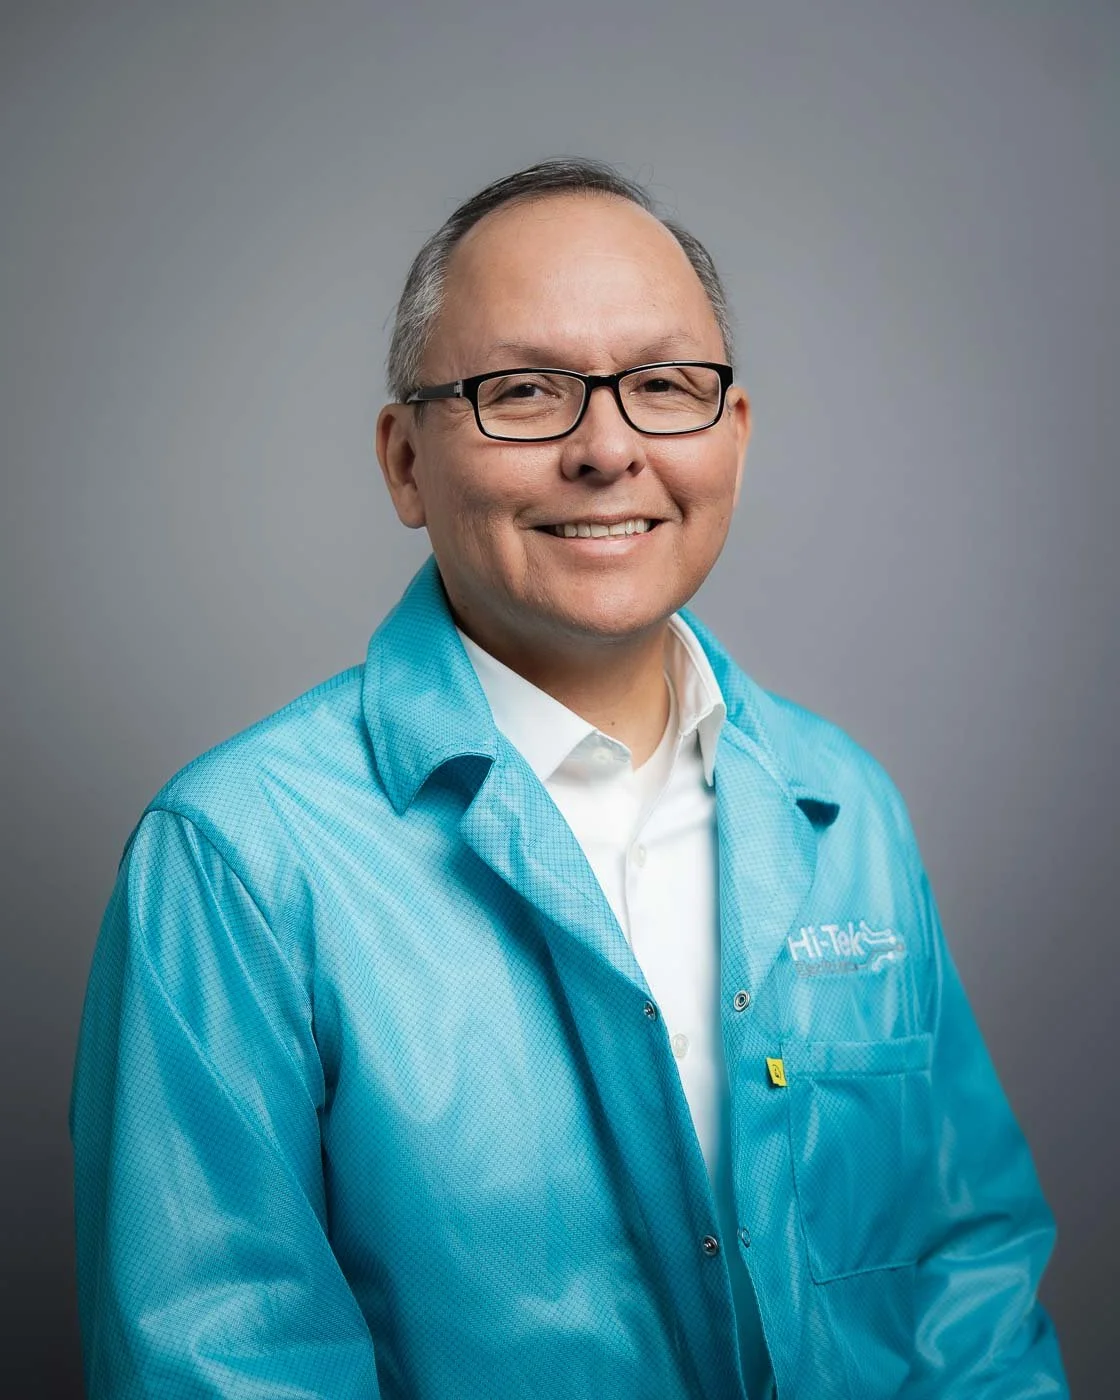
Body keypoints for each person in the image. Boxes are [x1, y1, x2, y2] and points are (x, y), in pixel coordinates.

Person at [70, 158, 1069, 1399]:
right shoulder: (237, 860)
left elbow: (959, 1281)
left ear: (733, 439)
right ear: (402, 461)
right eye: (524, 391)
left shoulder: (845, 801)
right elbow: (217, 1362)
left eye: (662, 386)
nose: (607, 448)